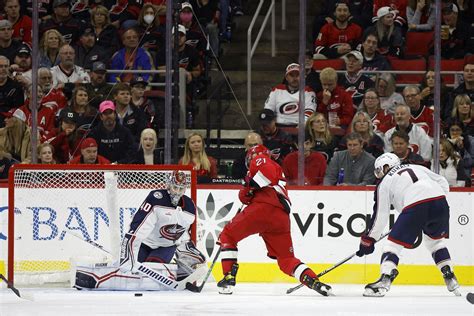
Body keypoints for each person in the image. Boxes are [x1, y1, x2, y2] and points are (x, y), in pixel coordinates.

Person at [217, 144, 332, 296]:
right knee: (286, 260)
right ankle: (313, 280)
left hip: (263, 209)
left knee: (228, 235)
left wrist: (249, 183)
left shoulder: (260, 159)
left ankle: (228, 278)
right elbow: (246, 196)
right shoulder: (269, 168)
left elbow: (266, 175)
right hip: (280, 217)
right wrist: (247, 187)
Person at [356, 153, 460, 297]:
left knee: (392, 246)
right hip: (440, 202)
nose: (379, 174)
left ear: (385, 167)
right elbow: (442, 181)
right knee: (435, 243)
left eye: (379, 170)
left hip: (416, 206)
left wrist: (369, 239)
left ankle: (384, 280)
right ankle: (450, 276)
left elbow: (380, 216)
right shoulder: (417, 167)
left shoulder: (385, 182)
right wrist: (432, 201)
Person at [119, 170, 205, 282]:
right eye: (175, 187)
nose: (178, 192)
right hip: (145, 243)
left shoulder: (189, 206)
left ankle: (177, 272)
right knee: (135, 269)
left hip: (167, 246)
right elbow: (138, 228)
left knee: (152, 270)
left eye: (181, 189)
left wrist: (189, 252)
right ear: (168, 186)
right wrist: (127, 262)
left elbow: (188, 233)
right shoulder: (156, 198)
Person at [264, 63, 316, 128]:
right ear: (286, 77)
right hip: (278, 127)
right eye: (291, 75)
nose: (294, 78)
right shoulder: (277, 90)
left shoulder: (308, 92)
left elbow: (310, 111)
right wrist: (271, 123)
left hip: (299, 127)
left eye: (297, 75)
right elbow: (268, 109)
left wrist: (301, 126)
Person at [316, 67, 354, 132]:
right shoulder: (319, 95)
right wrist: (324, 102)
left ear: (336, 81)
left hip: (340, 126)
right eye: (324, 84)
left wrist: (340, 121)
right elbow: (316, 116)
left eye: (330, 84)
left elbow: (349, 117)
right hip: (322, 125)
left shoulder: (345, 95)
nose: (326, 87)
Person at [0, 55, 24, 127]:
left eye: (6, 66)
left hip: (9, 123)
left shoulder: (16, 87)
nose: (3, 69)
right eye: (0, 66)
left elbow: (19, 109)